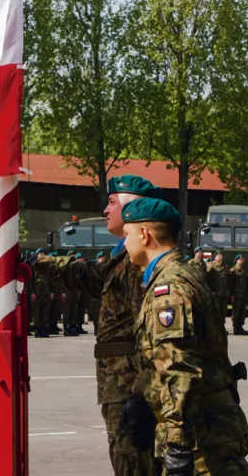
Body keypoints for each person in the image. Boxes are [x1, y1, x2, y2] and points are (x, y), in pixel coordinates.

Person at [121, 197, 248, 474]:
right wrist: (140, 394)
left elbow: (180, 368)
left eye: (126, 234)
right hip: (203, 429)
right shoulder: (179, 275)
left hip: (201, 438)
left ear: (144, 235)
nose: (124, 243)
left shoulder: (169, 289)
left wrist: (178, 443)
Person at [80, 175, 159, 476]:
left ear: (132, 210)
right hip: (118, 384)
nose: (105, 209)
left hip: (129, 386)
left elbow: (148, 335)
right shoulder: (122, 258)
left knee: (135, 464)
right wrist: (39, 264)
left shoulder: (138, 263)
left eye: (112, 202)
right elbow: (90, 276)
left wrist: (140, 394)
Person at [29, 249, 54, 338]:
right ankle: (37, 330)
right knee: (37, 313)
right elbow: (31, 281)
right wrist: (32, 292)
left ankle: (44, 329)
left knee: (45, 312)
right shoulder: (34, 266)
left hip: (46, 292)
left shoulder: (47, 267)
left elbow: (51, 280)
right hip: (37, 293)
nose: (43, 255)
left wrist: (51, 292)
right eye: (41, 253)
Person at [204, 251, 230, 325]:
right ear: (214, 258)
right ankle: (216, 327)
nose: (219, 256)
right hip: (216, 293)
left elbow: (229, 279)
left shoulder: (225, 266)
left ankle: (222, 327)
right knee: (216, 311)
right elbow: (207, 276)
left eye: (220, 255)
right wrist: (210, 265)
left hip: (224, 293)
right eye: (217, 255)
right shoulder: (212, 266)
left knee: (223, 312)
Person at [228, 255, 248, 335]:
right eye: (239, 259)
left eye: (242, 259)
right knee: (236, 312)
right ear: (236, 260)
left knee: (243, 312)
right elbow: (231, 283)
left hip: (243, 295)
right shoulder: (233, 270)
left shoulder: (243, 271)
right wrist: (232, 295)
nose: (241, 260)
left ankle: (240, 327)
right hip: (236, 295)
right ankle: (235, 328)